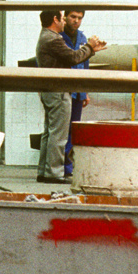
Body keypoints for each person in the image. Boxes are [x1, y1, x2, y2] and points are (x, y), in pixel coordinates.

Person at [36, 9, 104, 183]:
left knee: (49, 133)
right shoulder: (53, 39)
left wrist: (90, 49)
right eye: (63, 17)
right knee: (59, 135)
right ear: (55, 19)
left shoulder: (45, 36)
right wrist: (90, 46)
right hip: (58, 90)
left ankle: (44, 171)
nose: (66, 21)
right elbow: (73, 58)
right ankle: (54, 174)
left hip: (50, 90)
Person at [61, 10, 89, 175]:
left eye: (79, 18)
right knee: (61, 129)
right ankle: (60, 165)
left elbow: (85, 65)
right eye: (73, 17)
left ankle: (68, 166)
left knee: (73, 128)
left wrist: (85, 91)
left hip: (77, 91)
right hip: (63, 89)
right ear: (65, 17)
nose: (76, 21)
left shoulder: (82, 39)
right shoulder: (58, 37)